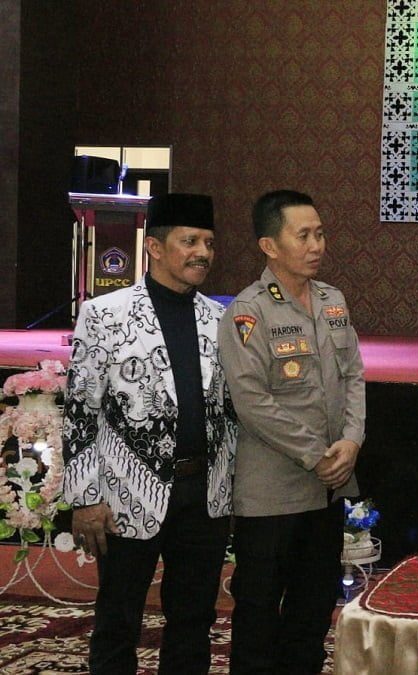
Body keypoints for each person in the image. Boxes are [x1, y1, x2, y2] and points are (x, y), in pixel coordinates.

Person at [63, 193, 237, 674]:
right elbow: (81, 410)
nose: (203, 252)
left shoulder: (220, 318)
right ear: (155, 248)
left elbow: (230, 412)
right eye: (190, 241)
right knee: (118, 618)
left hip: (204, 495)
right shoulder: (105, 313)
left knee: (194, 619)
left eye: (208, 243)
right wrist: (85, 497)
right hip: (126, 491)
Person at [217, 189, 365, 674]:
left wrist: (352, 440)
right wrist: (316, 455)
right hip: (272, 494)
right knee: (259, 616)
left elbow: (353, 376)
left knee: (313, 610)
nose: (316, 244)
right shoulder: (249, 311)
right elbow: (251, 401)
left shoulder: (332, 300)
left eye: (320, 233)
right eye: (303, 235)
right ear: (269, 245)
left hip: (328, 490)